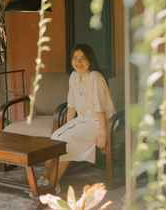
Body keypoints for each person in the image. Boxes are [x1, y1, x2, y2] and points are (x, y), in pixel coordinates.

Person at [43, 44, 115, 190]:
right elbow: (71, 106)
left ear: (90, 60)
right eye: (75, 58)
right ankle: (46, 178)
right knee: (55, 137)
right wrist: (67, 127)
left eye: (83, 58)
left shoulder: (95, 77)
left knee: (66, 141)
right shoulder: (74, 76)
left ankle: (52, 184)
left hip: (99, 123)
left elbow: (100, 109)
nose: (78, 62)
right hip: (82, 121)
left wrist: (103, 134)